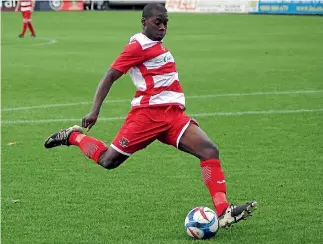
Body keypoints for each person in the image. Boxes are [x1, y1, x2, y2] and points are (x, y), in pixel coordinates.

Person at [44, 3, 256, 228]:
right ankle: (72, 137)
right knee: (108, 161)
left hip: (172, 116)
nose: (163, 27)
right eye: (158, 22)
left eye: (166, 23)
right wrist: (94, 111)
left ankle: (224, 211)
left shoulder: (157, 44)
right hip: (147, 116)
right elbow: (109, 76)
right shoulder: (137, 47)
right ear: (144, 22)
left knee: (209, 150)